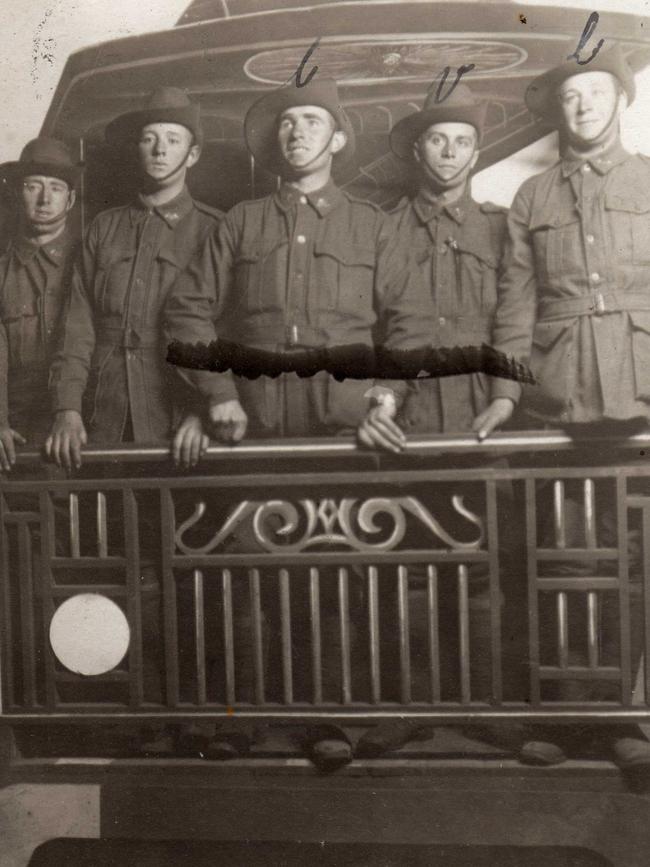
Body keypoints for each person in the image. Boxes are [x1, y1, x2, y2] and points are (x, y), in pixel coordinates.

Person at [164, 76, 435, 769]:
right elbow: (188, 312)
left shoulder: (373, 225)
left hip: (346, 437)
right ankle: (241, 718)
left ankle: (331, 719)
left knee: (341, 579)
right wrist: (216, 392)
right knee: (246, 578)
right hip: (253, 433)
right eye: (288, 124)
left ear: (338, 140)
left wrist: (387, 399)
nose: (298, 132)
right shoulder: (240, 222)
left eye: (313, 122)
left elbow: (408, 326)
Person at [475, 44, 650, 777]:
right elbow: (515, 306)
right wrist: (508, 392)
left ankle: (638, 722)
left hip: (644, 387)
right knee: (574, 560)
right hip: (564, 397)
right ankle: (577, 713)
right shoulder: (533, 197)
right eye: (570, 98)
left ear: (620, 102)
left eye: (595, 95)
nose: (582, 108)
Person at [45, 86, 223, 754]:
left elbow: (222, 328)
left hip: (178, 431)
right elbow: (77, 329)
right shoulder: (103, 229)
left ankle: (201, 716)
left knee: (191, 574)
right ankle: (137, 713)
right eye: (149, 138)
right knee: (118, 570)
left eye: (172, 139)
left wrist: (203, 409)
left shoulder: (213, 227)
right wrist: (66, 404)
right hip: (109, 430)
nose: (158, 149)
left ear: (193, 153)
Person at [355, 83, 516, 756]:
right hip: (407, 424)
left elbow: (521, 317)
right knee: (407, 568)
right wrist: (372, 399)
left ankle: (489, 710)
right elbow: (359, 324)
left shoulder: (505, 228)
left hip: (488, 422)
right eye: (436, 140)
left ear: (476, 152)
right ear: (416, 151)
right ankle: (408, 711)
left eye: (462, 141)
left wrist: (507, 396)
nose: (449, 153)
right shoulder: (379, 228)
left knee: (489, 567)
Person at [0, 137, 81, 468]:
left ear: (71, 199)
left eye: (56, 188)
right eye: (34, 186)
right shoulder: (2, 272)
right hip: (18, 435)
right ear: (18, 193)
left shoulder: (91, 263)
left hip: (84, 428)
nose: (45, 198)